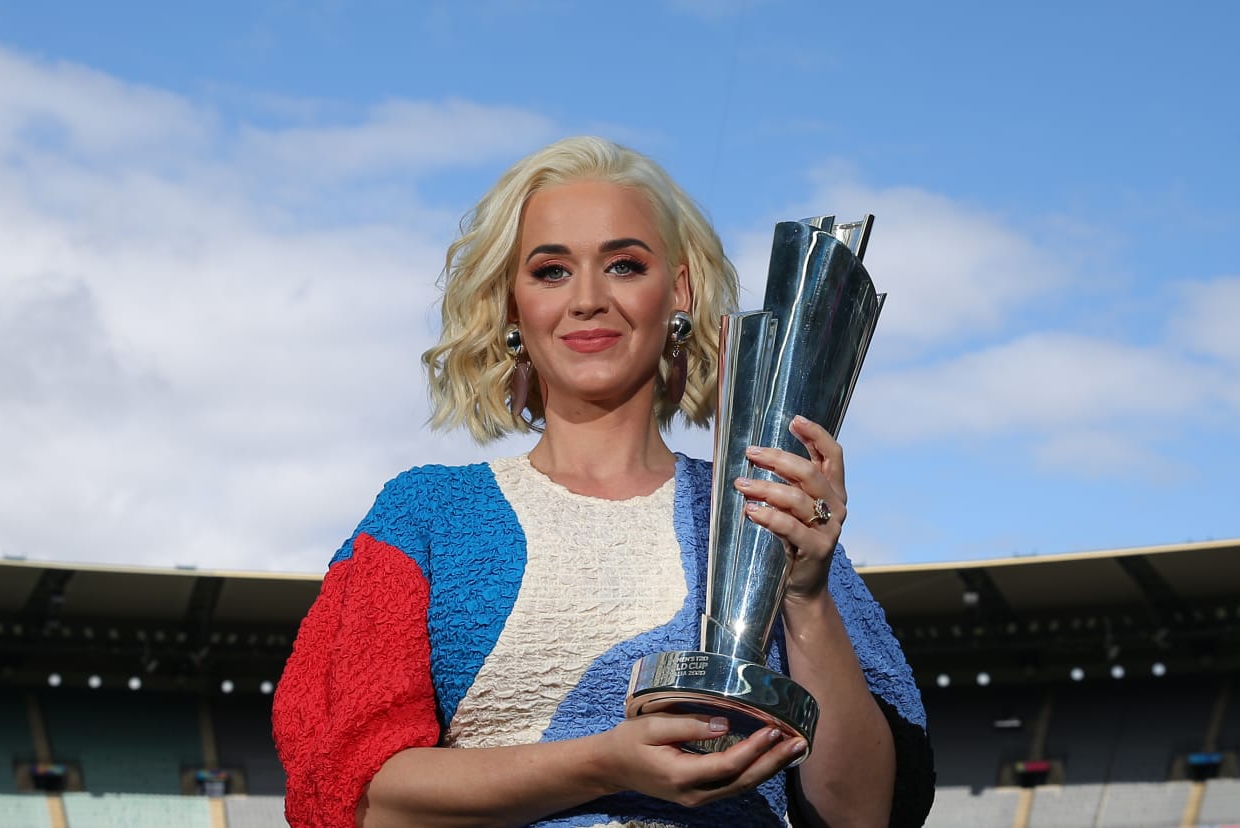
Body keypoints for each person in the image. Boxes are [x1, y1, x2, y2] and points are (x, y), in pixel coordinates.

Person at [272, 136, 933, 828]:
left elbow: (865, 817)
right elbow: (355, 795)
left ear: (675, 292)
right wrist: (603, 763)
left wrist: (805, 594)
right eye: (551, 271)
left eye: (623, 265)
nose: (588, 299)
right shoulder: (427, 514)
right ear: (510, 305)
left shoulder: (766, 502)